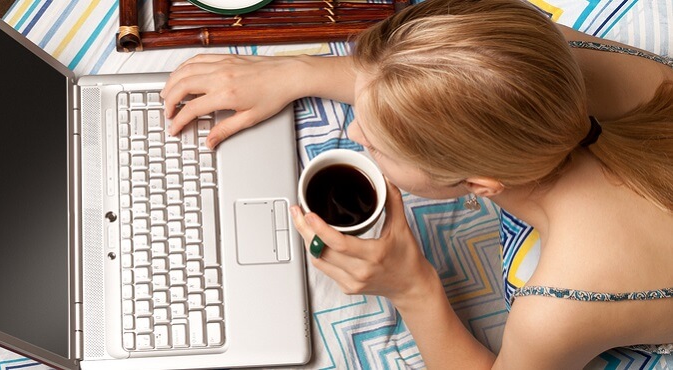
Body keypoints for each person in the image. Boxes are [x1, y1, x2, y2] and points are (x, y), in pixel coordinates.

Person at [160, 0, 673, 367]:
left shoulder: (560, 308)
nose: (354, 132)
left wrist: (414, 289)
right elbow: (448, 79)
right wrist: (298, 71)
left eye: (379, 148)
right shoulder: (542, 55)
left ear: (480, 185)